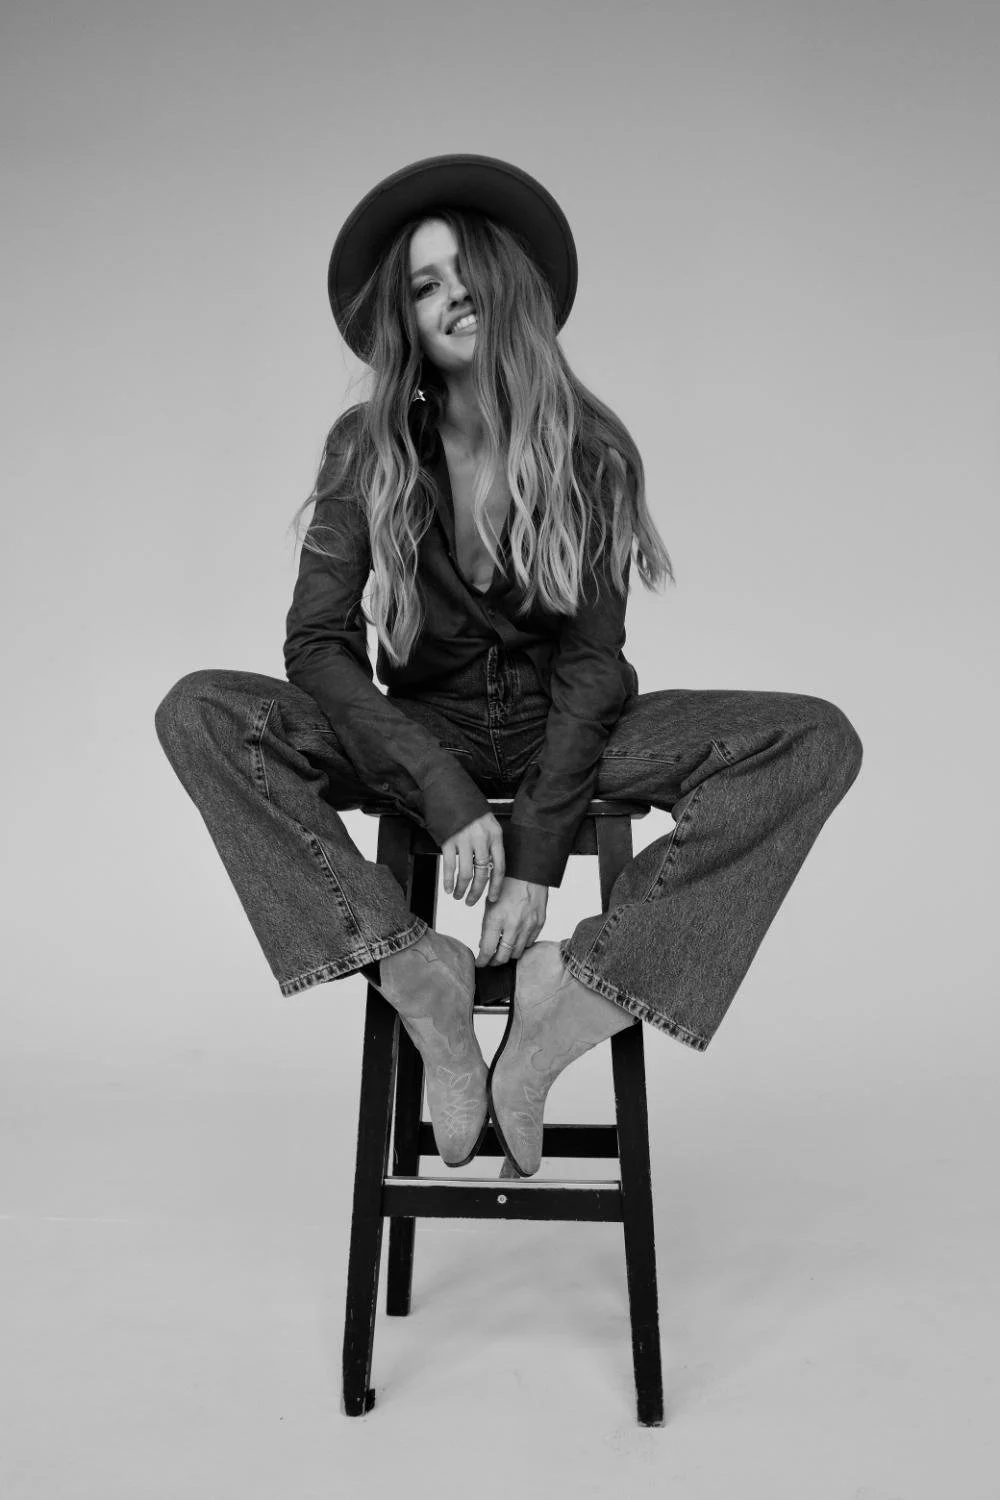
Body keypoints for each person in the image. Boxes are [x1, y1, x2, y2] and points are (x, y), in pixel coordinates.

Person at [154, 153, 863, 1180]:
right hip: (418, 731)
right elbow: (317, 645)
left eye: (466, 271)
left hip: (565, 730)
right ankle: (416, 975)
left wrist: (533, 859)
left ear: (508, 283)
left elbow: (592, 667)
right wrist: (441, 791)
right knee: (202, 712)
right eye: (424, 285)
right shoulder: (366, 446)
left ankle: (573, 998)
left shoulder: (591, 450)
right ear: (405, 320)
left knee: (811, 740)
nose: (453, 297)